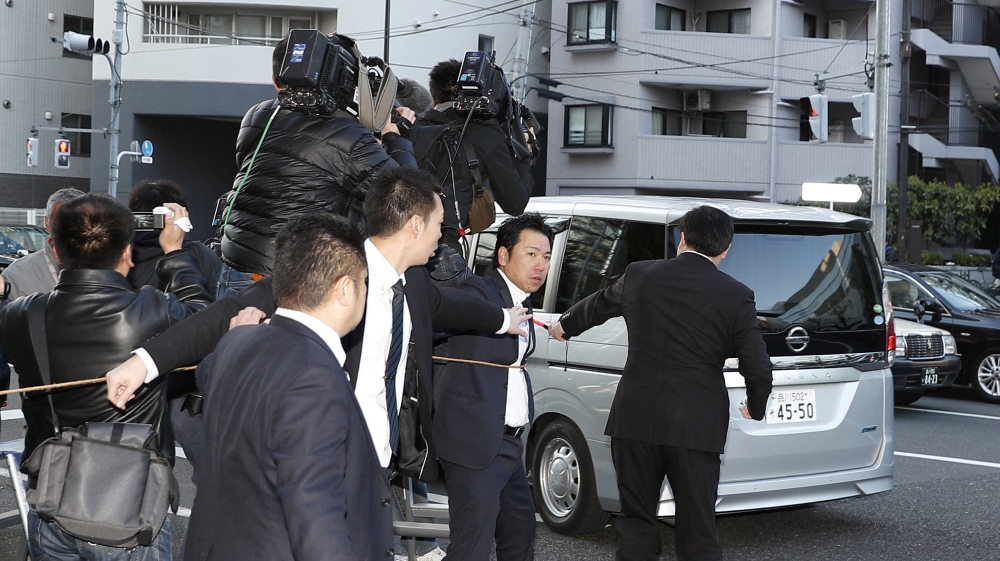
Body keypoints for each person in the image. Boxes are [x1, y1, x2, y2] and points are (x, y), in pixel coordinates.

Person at [548, 205, 773, 561]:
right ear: (725, 249)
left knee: (636, 522)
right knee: (698, 529)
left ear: (682, 238)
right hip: (697, 425)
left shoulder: (641, 274)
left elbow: (598, 305)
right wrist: (757, 407)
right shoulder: (737, 295)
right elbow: (758, 367)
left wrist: (563, 326)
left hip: (635, 418)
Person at [0, 193, 212, 561]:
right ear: (128, 253)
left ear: (56, 250)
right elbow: (207, 324)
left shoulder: (19, 316)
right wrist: (175, 253)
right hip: (131, 509)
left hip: (52, 501)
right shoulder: (153, 310)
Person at [184, 213, 391, 560]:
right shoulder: (315, 376)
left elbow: (207, 373)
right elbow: (315, 518)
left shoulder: (235, 343)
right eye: (364, 281)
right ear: (344, 289)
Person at [218, 32, 418, 298]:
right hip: (289, 278)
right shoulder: (348, 135)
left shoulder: (258, 115)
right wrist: (395, 136)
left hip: (234, 268)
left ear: (278, 80)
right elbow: (407, 195)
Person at [433, 213, 552, 561]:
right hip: (475, 443)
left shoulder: (523, 302)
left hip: (509, 445)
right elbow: (440, 320)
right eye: (531, 254)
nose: (540, 265)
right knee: (471, 548)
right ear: (503, 256)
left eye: (546, 257)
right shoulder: (478, 292)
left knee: (520, 534)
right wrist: (498, 321)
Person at [410, 59, 534, 283]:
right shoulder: (485, 135)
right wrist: (524, 155)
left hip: (402, 249)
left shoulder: (414, 128)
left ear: (434, 94)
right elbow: (516, 202)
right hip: (442, 253)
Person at [1, 188, 84, 300]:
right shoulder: (16, 275)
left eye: (79, 221)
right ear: (47, 222)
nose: (70, 228)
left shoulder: (108, 268)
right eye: (61, 221)